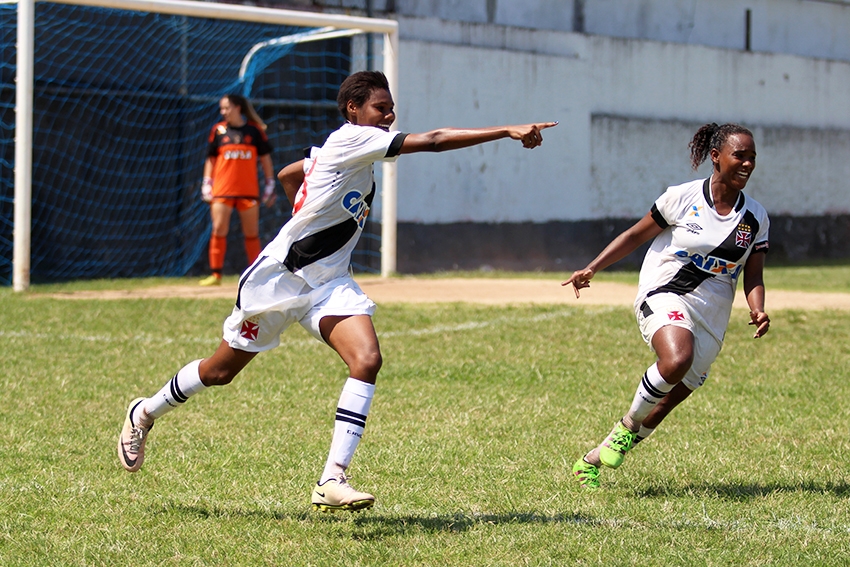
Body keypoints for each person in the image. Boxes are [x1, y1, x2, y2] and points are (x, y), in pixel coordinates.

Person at [118, 70, 558, 512]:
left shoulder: (351, 153)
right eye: (380, 108)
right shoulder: (352, 140)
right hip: (279, 281)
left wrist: (302, 204)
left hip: (330, 284)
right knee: (219, 372)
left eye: (390, 108)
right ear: (354, 110)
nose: (389, 114)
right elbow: (437, 140)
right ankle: (145, 413)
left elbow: (296, 171)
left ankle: (332, 478)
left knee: (367, 359)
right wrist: (506, 130)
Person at [564, 122, 771, 489]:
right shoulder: (682, 197)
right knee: (676, 358)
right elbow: (633, 235)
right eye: (740, 155)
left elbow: (753, 275)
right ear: (716, 157)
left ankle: (593, 458)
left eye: (752, 158)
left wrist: (758, 308)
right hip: (663, 292)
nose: (747, 164)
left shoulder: (755, 218)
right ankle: (627, 426)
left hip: (712, 316)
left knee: (664, 404)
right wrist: (593, 267)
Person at [199, 93, 277, 286]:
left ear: (237, 108)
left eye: (226, 108)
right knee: (218, 229)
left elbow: (266, 159)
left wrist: (270, 183)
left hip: (248, 191)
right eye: (222, 108)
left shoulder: (254, 131)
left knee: (251, 233)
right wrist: (207, 182)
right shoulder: (218, 131)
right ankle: (216, 275)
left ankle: (256, 276)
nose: (223, 112)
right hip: (222, 190)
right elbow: (211, 159)